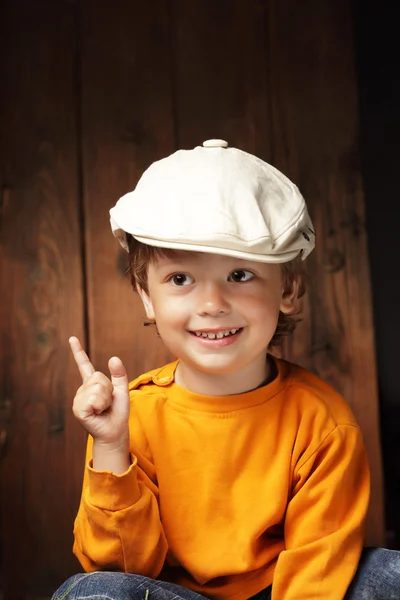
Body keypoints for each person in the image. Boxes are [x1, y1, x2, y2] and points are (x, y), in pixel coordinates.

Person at [53, 140, 400, 599]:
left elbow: (318, 572)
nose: (212, 304)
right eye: (181, 279)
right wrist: (112, 447)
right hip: (175, 596)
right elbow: (120, 570)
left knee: (388, 573)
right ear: (146, 296)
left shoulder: (322, 423)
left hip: (287, 589)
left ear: (289, 288)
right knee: (90, 592)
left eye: (240, 275)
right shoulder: (132, 416)